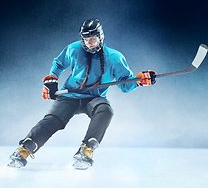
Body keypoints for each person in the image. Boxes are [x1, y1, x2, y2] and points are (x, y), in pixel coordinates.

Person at [7, 19, 156, 170]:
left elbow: (125, 84)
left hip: (95, 98)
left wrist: (139, 81)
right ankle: (24, 150)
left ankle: (86, 150)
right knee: (52, 120)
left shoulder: (114, 58)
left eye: (93, 38)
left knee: (105, 111)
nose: (89, 43)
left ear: (100, 37)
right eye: (86, 39)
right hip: (70, 96)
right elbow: (58, 63)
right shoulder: (74, 49)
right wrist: (52, 79)